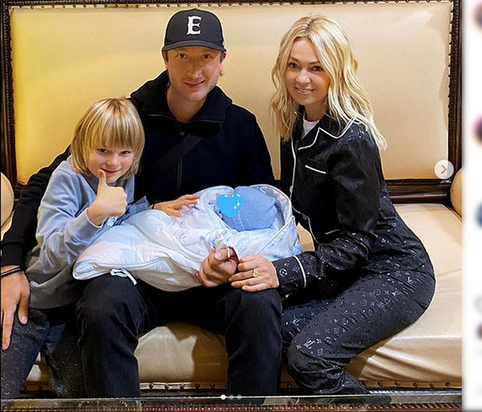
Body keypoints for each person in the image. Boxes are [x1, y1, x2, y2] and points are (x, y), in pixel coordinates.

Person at [1, 9, 278, 398]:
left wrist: (235, 258)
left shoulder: (241, 126)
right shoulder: (128, 116)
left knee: (260, 304)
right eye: (182, 56)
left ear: (222, 61)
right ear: (165, 58)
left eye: (206, 56)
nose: (194, 69)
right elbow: (43, 182)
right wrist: (10, 264)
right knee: (100, 305)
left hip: (210, 274)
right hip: (136, 270)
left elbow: (264, 208)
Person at [201, 15, 436, 394]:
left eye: (316, 68)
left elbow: (358, 244)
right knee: (260, 329)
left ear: (336, 71)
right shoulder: (294, 124)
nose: (302, 79)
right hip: (344, 271)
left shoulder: (352, 139)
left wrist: (282, 271)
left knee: (309, 357)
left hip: (392, 271)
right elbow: (292, 201)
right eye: (293, 66)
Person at [1, 97, 154, 398]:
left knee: (81, 395)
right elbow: (51, 253)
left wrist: (150, 209)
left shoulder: (124, 177)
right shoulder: (67, 178)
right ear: (83, 145)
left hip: (73, 309)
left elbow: (117, 224)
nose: (113, 162)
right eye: (102, 151)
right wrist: (93, 214)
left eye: (124, 152)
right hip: (36, 302)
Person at [73, 185, 302, 292]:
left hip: (221, 284)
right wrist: (151, 208)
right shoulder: (134, 119)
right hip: (141, 273)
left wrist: (236, 265)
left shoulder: (242, 125)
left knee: (259, 302)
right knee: (103, 300)